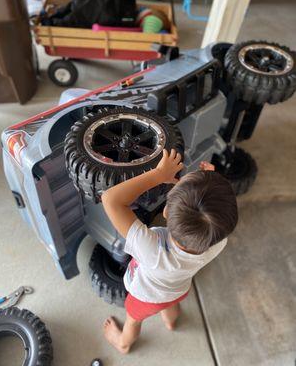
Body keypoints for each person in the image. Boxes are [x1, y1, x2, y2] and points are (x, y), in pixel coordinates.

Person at [101, 149, 238, 354]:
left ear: (165, 211)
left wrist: (158, 175)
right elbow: (217, 216)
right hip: (178, 291)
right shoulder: (218, 242)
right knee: (168, 306)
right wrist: (212, 182)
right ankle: (171, 323)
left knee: (133, 320)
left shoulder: (152, 250)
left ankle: (122, 343)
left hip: (145, 297)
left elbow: (111, 199)